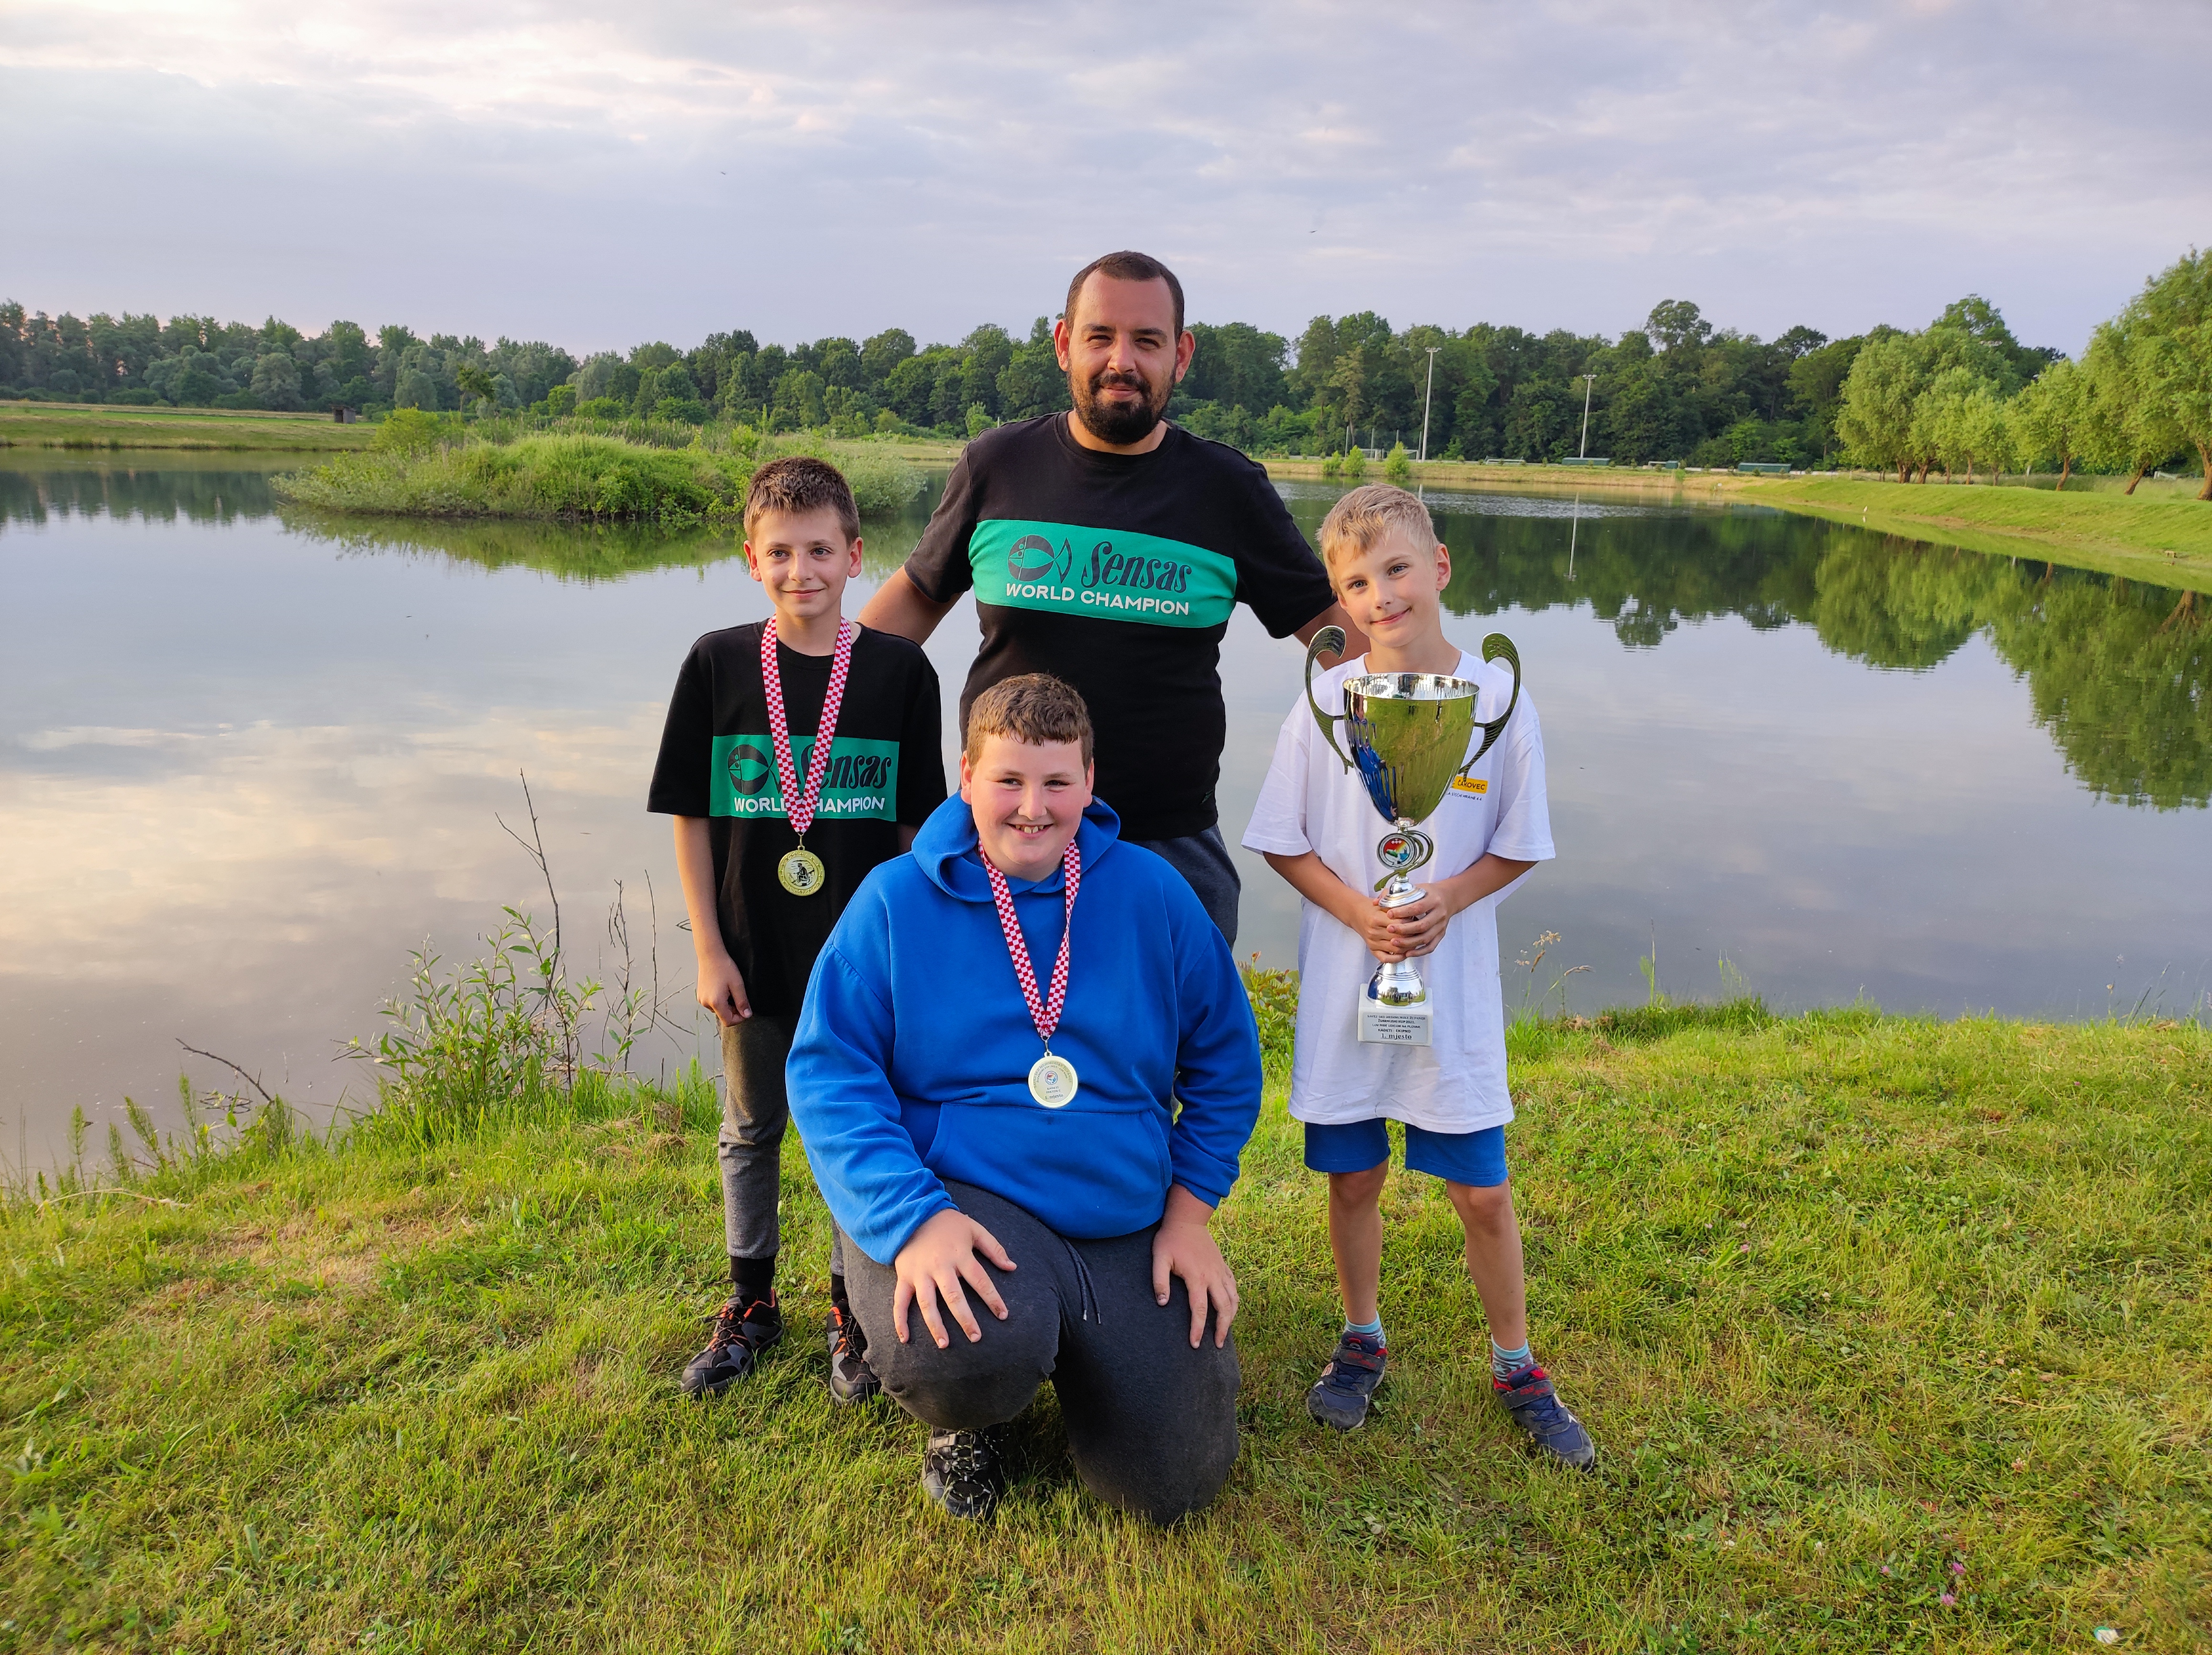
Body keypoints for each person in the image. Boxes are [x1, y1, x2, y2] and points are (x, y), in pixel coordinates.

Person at [786, 674, 1262, 1523]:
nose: (1032, 809)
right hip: (963, 1198)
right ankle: (972, 1419)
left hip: (1124, 1214)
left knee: (1172, 1485)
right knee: (959, 1358)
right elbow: (830, 1074)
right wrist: (912, 1220)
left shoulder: (1154, 894)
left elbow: (1228, 1063)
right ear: (965, 776)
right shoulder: (895, 900)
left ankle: (1095, 1358)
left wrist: (1189, 1215)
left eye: (1056, 782)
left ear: (1090, 781)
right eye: (1007, 780)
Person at [857, 249, 1363, 946]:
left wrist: (1437, 709)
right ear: (1065, 344)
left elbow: (1335, 636)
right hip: (1004, 835)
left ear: (1181, 355)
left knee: (1181, 1055)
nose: (1121, 360)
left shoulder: (1228, 489)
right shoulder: (997, 467)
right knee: (991, 1053)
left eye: (1147, 341)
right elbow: (911, 604)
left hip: (1169, 848)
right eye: (1100, 337)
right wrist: (806, 695)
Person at [1240, 483, 1596, 1470]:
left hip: (1454, 1000)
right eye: (1356, 582)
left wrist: (1451, 893)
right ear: (1339, 600)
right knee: (1352, 1175)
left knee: (1482, 1192)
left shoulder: (1499, 697)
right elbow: (1282, 840)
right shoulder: (1322, 701)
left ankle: (1518, 1363)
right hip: (1347, 993)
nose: (1380, 593)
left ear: (1438, 567)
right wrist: (1359, 910)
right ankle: (1361, 1338)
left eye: (1396, 568)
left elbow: (1520, 843)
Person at [647, 456, 945, 1401]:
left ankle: (845, 1307)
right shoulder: (716, 662)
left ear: (856, 555)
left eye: (820, 549)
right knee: (750, 1126)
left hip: (862, 964)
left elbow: (915, 835)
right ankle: (749, 1300)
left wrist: (914, 959)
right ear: (750, 558)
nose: (800, 568)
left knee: (857, 1126)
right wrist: (707, 946)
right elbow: (691, 815)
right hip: (750, 952)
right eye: (779, 551)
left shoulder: (900, 671)